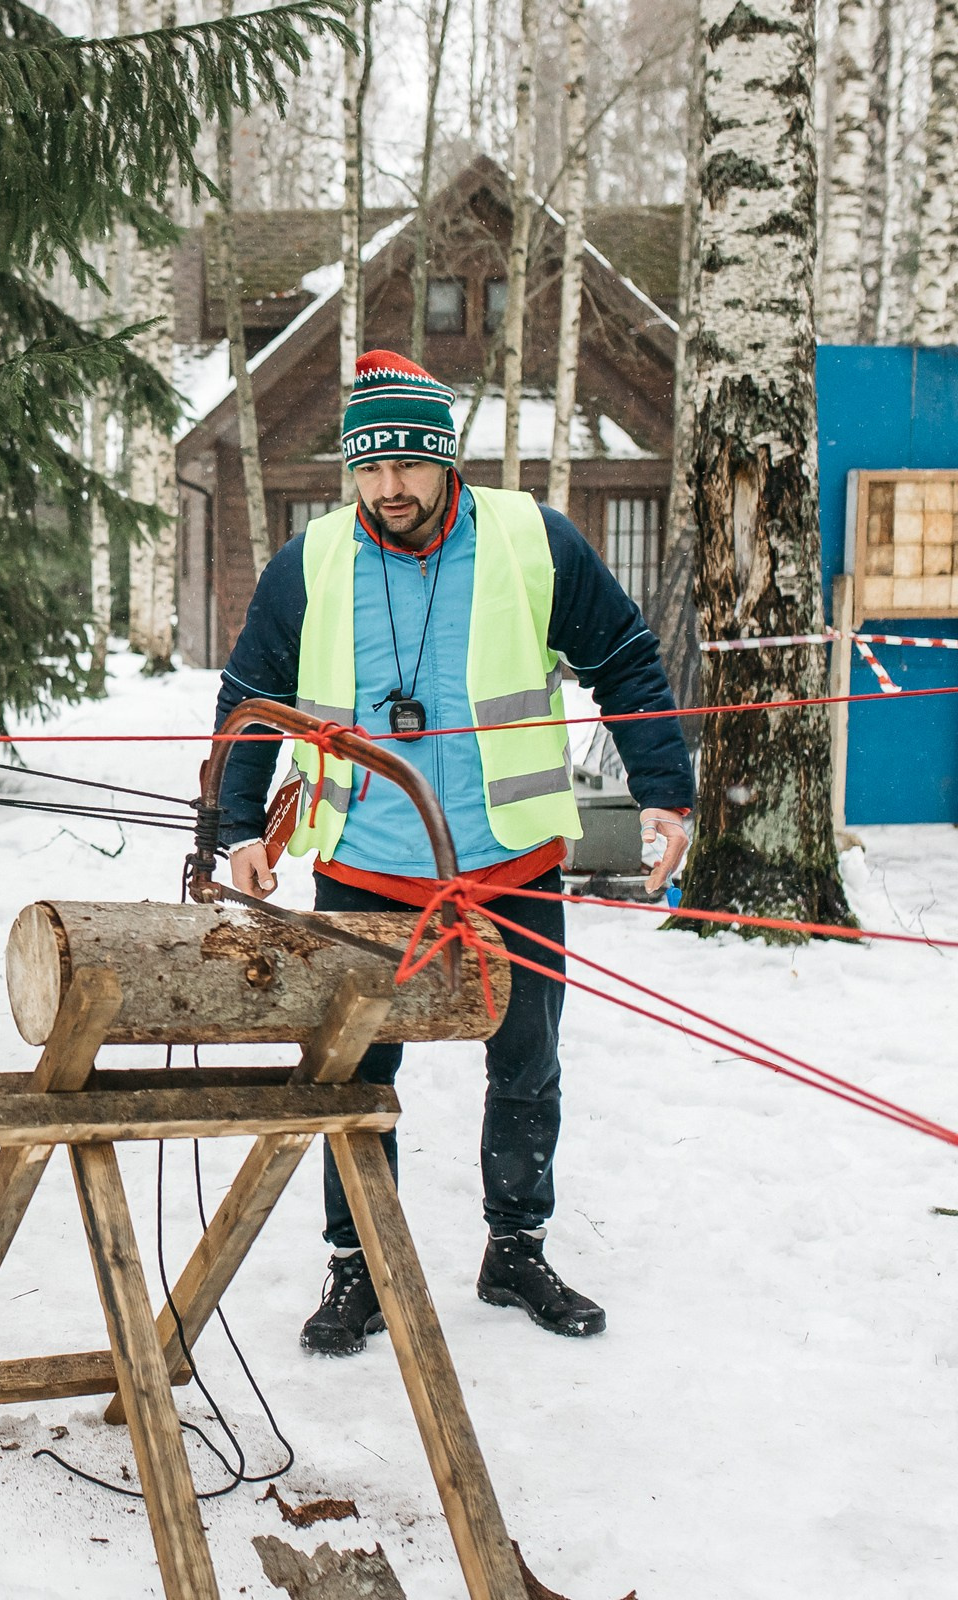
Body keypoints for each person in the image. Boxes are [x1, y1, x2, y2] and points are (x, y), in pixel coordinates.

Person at [215, 350, 694, 1355]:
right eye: (368, 467)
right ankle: (358, 1266)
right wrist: (237, 827)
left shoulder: (531, 541)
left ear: (446, 459)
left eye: (408, 464)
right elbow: (251, 698)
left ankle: (515, 1248)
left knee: (526, 1064)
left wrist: (664, 793)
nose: (388, 486)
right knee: (354, 1077)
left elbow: (625, 659)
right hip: (364, 867)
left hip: (508, 862)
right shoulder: (312, 561)